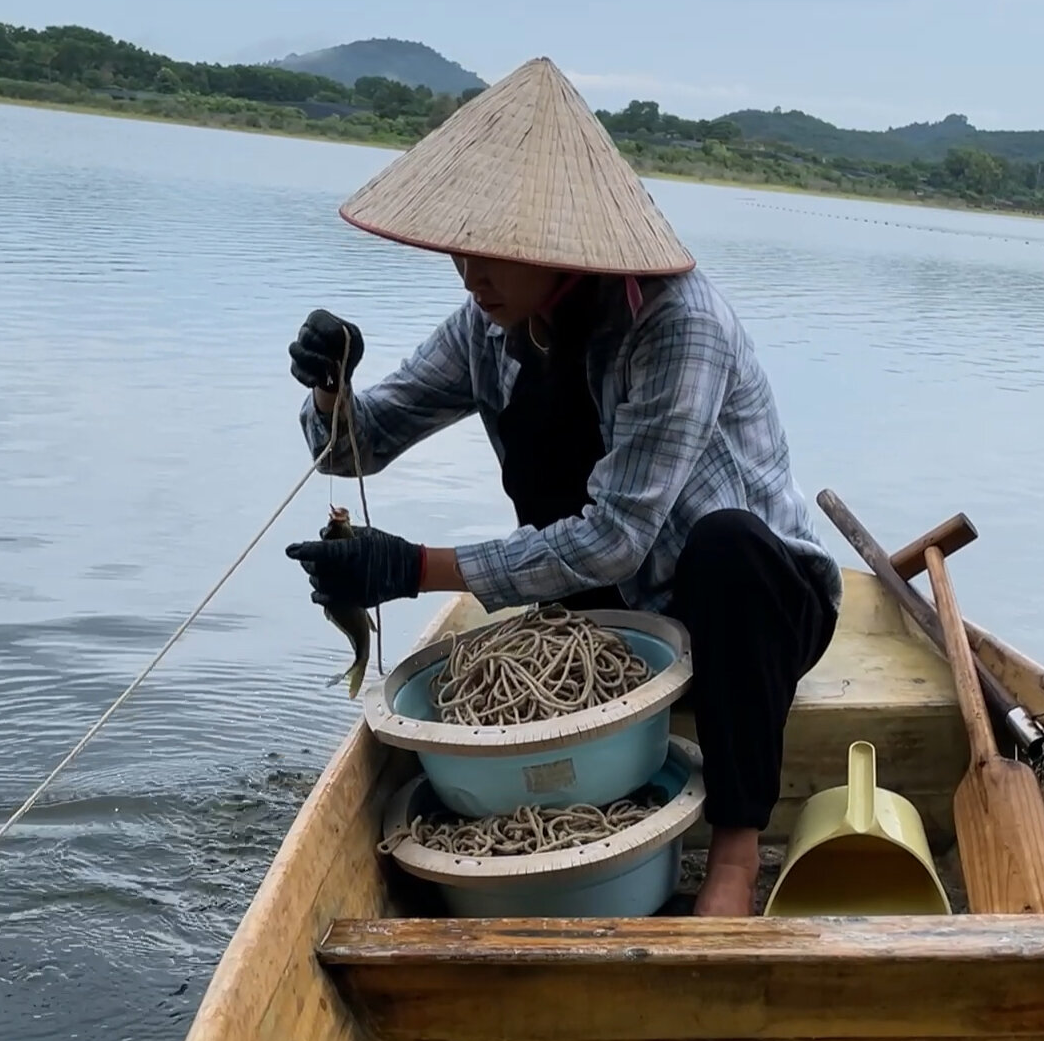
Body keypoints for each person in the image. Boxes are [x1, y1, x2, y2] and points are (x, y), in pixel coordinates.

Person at [284, 56, 842, 917]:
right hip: (612, 618)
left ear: (562, 246)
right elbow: (357, 448)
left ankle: (735, 856)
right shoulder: (487, 324)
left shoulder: (678, 324)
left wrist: (413, 569)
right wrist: (330, 389)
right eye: (460, 248)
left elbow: (617, 536)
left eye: (493, 254)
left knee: (728, 547)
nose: (469, 273)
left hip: (749, 617)